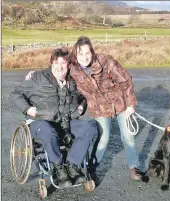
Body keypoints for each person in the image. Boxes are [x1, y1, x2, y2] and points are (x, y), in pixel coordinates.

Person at [25, 37, 145, 182]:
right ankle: (92, 168)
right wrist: (35, 74)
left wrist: (131, 104)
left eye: (87, 53)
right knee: (103, 138)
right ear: (76, 54)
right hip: (99, 106)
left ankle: (134, 167)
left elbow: (125, 81)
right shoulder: (73, 69)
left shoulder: (106, 62)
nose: (84, 57)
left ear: (92, 52)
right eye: (80, 53)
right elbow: (57, 68)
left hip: (120, 102)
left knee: (128, 137)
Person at [9, 47, 98, 186]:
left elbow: (85, 96)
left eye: (63, 63)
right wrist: (28, 109)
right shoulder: (37, 78)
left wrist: (82, 106)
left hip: (66, 122)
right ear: (51, 63)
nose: (59, 66)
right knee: (47, 131)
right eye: (56, 62)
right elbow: (15, 94)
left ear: (69, 65)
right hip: (40, 121)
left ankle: (72, 165)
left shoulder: (74, 81)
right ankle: (58, 167)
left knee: (89, 128)